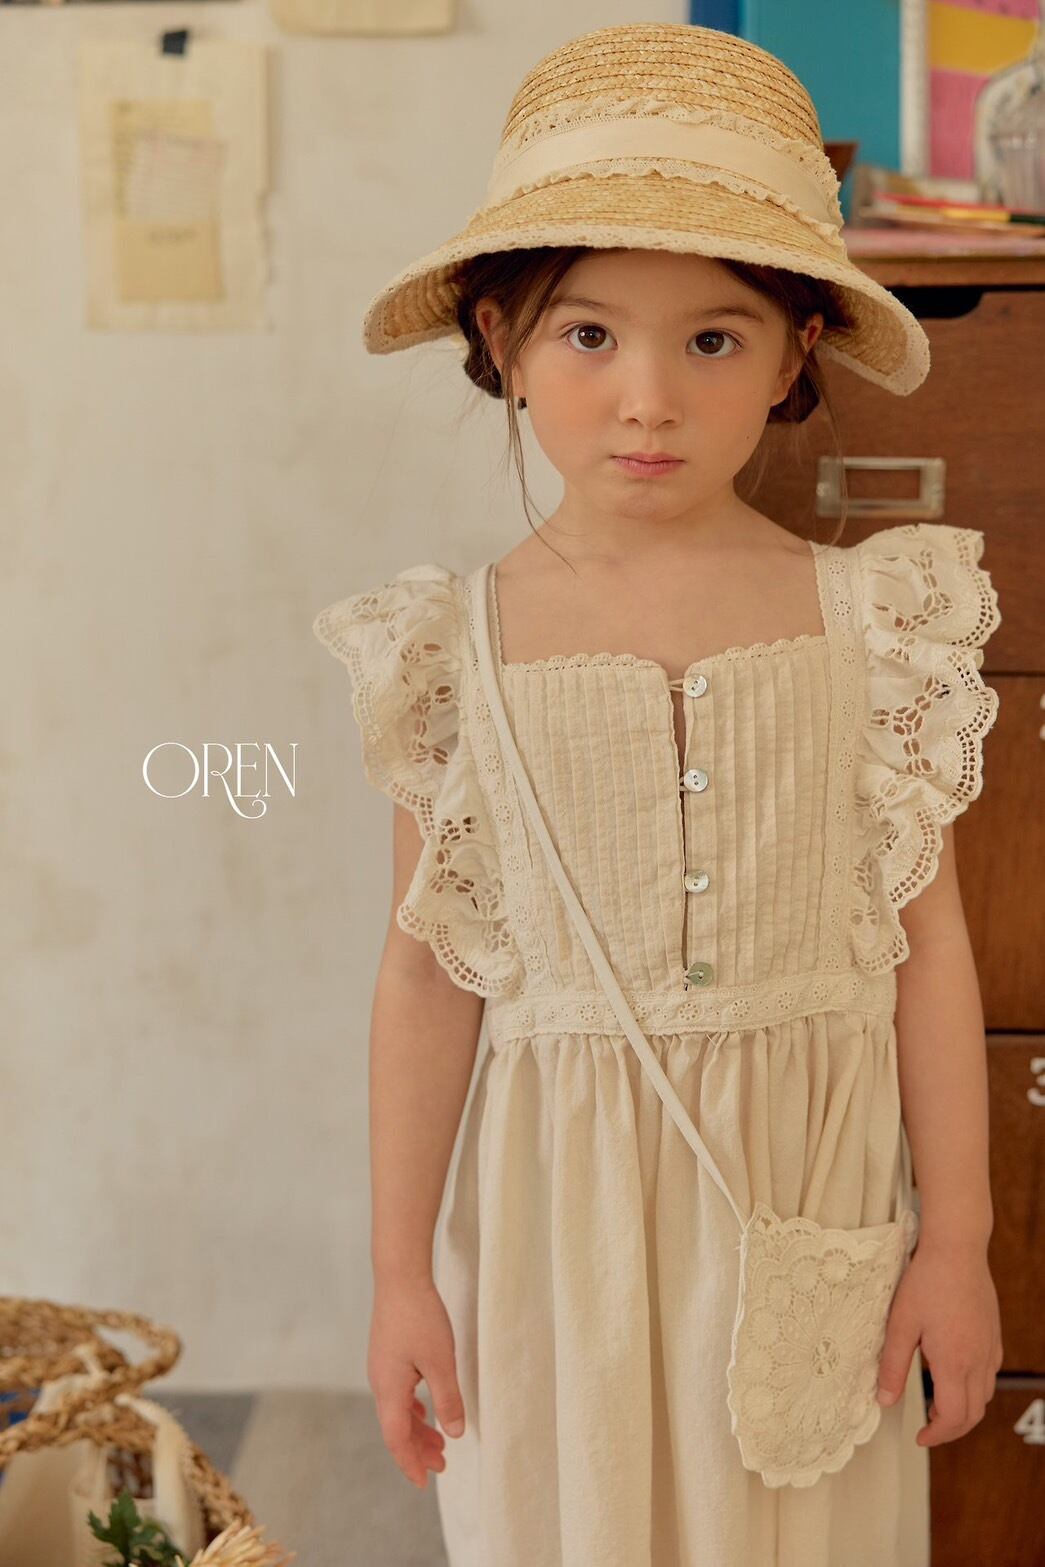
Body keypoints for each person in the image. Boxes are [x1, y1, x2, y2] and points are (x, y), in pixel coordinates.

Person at [312, 22, 1004, 1567]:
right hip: (552, 1240)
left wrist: (954, 1243)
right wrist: (400, 1276)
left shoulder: (875, 627)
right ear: (499, 338)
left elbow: (927, 948)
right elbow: (425, 974)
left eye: (711, 341)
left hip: (810, 1214)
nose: (646, 399)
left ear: (795, 354)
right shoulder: (448, 652)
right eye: (587, 335)